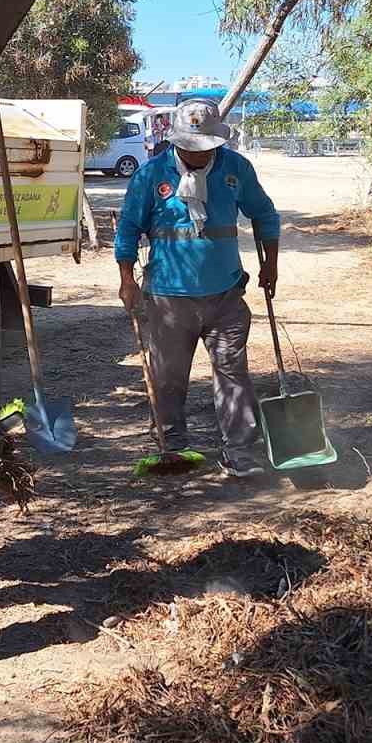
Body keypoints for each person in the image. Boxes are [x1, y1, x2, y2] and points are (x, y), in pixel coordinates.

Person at [114, 98, 281, 477]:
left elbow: (265, 214)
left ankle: (239, 451)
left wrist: (270, 264)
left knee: (232, 373)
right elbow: (127, 228)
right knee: (168, 376)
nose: (198, 155)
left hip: (225, 296)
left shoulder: (237, 169)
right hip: (168, 299)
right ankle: (172, 446)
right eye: (190, 147)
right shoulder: (150, 175)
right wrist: (127, 280)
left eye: (205, 147)